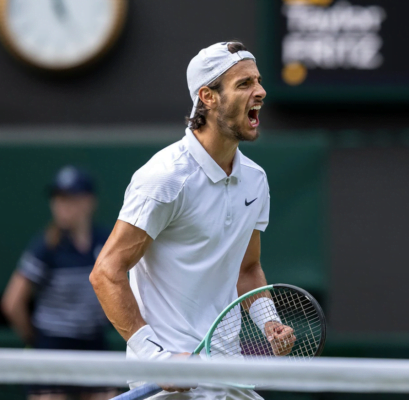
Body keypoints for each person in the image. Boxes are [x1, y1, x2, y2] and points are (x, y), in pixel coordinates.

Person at [90, 41, 295, 400]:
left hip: (228, 373)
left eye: (258, 81)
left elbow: (247, 268)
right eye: (244, 84)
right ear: (208, 97)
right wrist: (157, 359)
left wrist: (269, 322)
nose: (261, 91)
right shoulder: (165, 178)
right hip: (172, 381)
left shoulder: (255, 179)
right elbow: (106, 272)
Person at [1, 165, 118, 400]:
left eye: (70, 199)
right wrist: (36, 341)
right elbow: (12, 303)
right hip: (51, 349)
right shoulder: (45, 246)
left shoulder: (106, 241)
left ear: (88, 202)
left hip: (94, 347)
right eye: (57, 199)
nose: (61, 206)